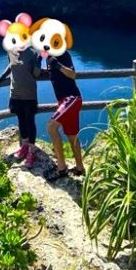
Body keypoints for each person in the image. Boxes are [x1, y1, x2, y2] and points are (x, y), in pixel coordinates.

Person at [0, 46, 42, 168]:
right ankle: (24, 147)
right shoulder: (11, 51)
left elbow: (36, 74)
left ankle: (31, 151)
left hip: (29, 95)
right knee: (21, 120)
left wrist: (39, 60)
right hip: (15, 94)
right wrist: (1, 78)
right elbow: (11, 66)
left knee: (30, 122)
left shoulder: (34, 53)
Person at [43, 51, 84, 182]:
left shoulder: (63, 54)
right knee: (72, 136)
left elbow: (72, 74)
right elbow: (51, 72)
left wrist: (58, 65)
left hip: (71, 98)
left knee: (51, 126)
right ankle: (79, 168)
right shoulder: (48, 57)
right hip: (65, 102)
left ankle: (61, 168)